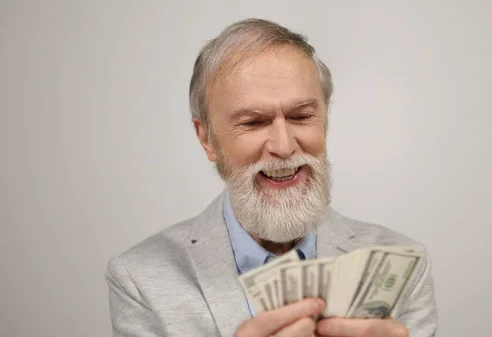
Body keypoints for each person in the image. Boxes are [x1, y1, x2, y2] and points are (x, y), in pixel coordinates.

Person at [105, 18, 438, 337]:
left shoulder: (404, 263)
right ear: (206, 138)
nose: (284, 146)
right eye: (253, 122)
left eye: (301, 116)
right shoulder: (140, 278)